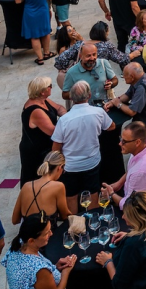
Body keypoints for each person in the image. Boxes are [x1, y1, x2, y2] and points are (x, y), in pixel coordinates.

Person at [52, 80, 117, 209]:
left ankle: (74, 225)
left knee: (71, 196)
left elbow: (56, 148)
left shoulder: (64, 120)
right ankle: (92, 222)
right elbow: (112, 127)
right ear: (89, 96)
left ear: (71, 97)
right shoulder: (98, 112)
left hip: (70, 166)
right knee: (93, 192)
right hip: (91, 162)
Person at [2, 214, 75, 289]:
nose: (51, 233)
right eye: (47, 233)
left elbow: (32, 280)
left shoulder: (17, 247)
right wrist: (66, 273)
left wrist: (54, 267)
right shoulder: (39, 269)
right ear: (31, 240)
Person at [102, 121, 146, 211]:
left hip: (145, 213)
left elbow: (129, 205)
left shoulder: (140, 171)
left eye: (124, 141)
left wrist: (111, 194)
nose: (120, 144)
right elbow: (133, 168)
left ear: (137, 142)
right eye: (121, 139)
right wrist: (119, 183)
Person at [106, 63, 146, 150]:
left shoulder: (142, 87)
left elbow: (132, 111)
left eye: (124, 75)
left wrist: (118, 104)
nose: (123, 78)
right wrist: (113, 102)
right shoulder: (139, 80)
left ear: (132, 76)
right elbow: (128, 95)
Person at [19, 77, 66, 183]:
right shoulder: (36, 111)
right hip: (36, 152)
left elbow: (59, 108)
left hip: (44, 147)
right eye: (50, 86)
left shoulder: (43, 100)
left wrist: (65, 117)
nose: (51, 88)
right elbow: (54, 132)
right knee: (38, 181)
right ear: (42, 92)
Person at [11, 151, 70, 224]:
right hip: (48, 234)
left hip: (28, 234)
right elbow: (65, 216)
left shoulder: (26, 186)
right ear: (60, 167)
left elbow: (15, 220)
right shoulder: (58, 186)